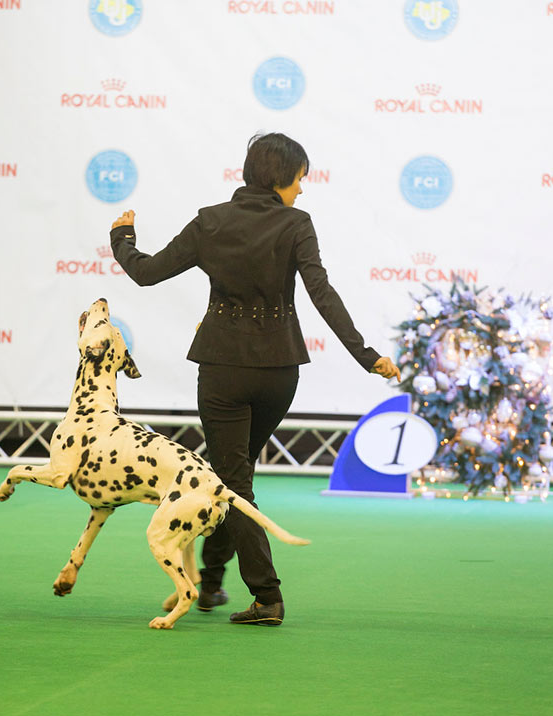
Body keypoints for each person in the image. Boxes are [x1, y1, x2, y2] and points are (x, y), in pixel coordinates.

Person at [109, 133, 400, 626]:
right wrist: (366, 356)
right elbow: (322, 294)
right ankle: (212, 583)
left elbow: (148, 272)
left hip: (223, 369)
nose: (301, 189)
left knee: (232, 481)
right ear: (279, 178)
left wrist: (122, 239)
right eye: (299, 179)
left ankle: (267, 597)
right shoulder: (296, 224)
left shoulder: (211, 221)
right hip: (279, 373)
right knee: (231, 477)